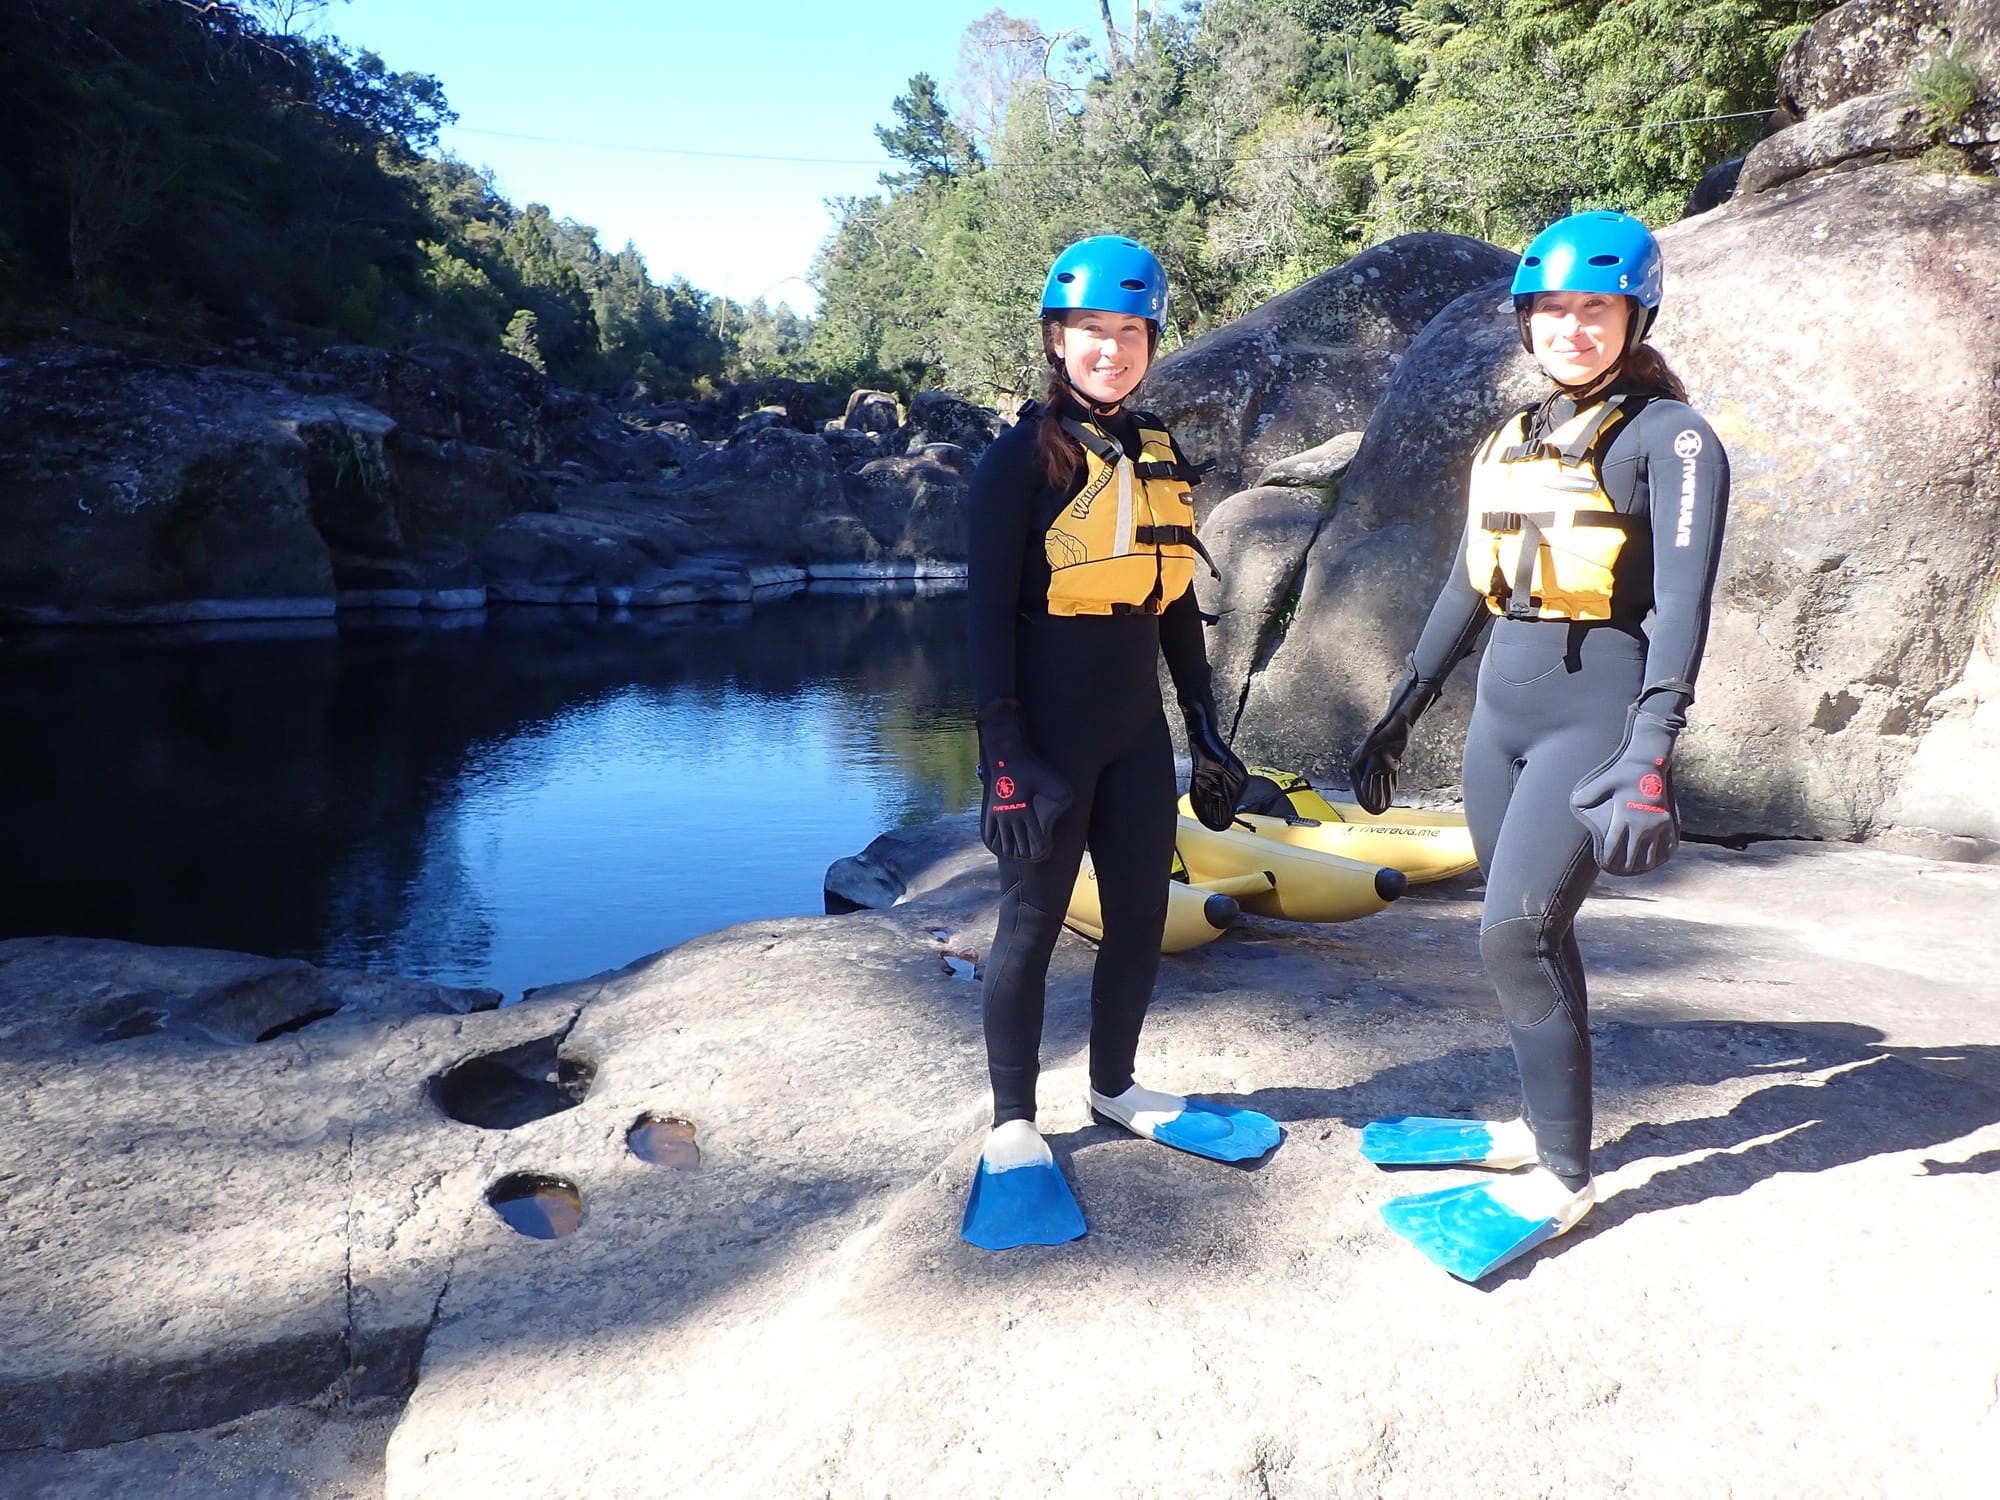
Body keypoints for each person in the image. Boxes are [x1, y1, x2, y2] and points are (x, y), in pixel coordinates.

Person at [1347, 210, 1730, 1281]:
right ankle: (1537, 1127)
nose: (1571, 327)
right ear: (1526, 320)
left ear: (1634, 316)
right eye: (1552, 309)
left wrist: (1650, 746)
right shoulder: (1514, 435)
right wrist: (1402, 705)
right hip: (1499, 720)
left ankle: (1565, 1177)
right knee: (1528, 933)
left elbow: (1683, 607)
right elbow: (1468, 581)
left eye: (1594, 308)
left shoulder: (1670, 437)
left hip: (1591, 721)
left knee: (1514, 934)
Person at [959, 235, 1278, 1252]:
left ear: (1150, 342)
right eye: (1091, 330)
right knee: (1029, 925)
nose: (1111, 348)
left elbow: (1171, 602)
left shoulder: (1154, 452)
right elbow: (982, 619)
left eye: (1130, 331)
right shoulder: (1018, 460)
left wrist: (1205, 729)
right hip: (1045, 739)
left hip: (1134, 735)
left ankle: (1114, 1084)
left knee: (1141, 914)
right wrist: (1003, 757)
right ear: (1057, 340)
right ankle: (1013, 1123)